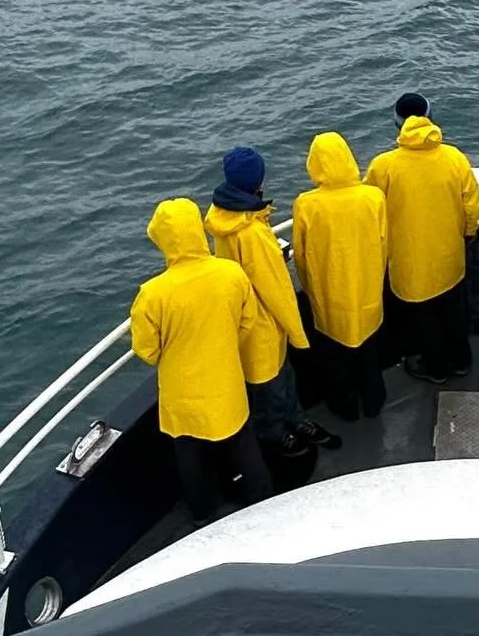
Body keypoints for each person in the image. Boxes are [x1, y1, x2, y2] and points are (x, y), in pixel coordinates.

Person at [130, 197, 273, 524]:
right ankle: (264, 501)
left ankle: (203, 513)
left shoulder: (153, 294)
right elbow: (247, 321)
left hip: (183, 395)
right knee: (243, 445)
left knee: (190, 455)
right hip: (226, 383)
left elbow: (147, 350)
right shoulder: (230, 273)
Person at [206, 146, 339, 454]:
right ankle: (274, 435)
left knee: (276, 381)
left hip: (246, 316)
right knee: (270, 386)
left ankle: (292, 419)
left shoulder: (225, 218)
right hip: (264, 321)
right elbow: (275, 289)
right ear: (258, 183)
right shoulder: (251, 232)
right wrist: (298, 332)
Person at [366, 108, 479, 383]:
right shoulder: (454, 158)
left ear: (397, 124)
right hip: (449, 257)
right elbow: (471, 205)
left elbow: (370, 209)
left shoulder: (383, 166)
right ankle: (461, 361)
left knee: (423, 318)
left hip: (409, 262)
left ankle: (437, 368)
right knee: (453, 311)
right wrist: (469, 233)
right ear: (430, 118)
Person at [292, 131, 389, 421]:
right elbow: (384, 243)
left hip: (328, 295)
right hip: (367, 290)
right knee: (370, 351)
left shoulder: (307, 204)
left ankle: (345, 409)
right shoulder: (373, 197)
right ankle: (374, 402)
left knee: (335, 358)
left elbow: (301, 255)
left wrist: (310, 290)